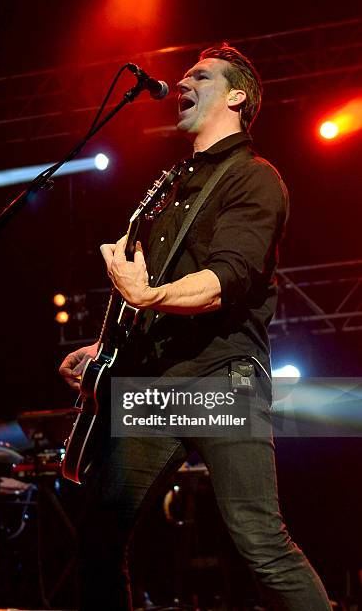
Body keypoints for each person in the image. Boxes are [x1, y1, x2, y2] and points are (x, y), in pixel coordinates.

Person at [59, 43, 331, 611]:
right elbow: (155, 289)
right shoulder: (173, 186)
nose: (182, 82)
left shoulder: (254, 179)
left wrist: (149, 293)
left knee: (257, 538)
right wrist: (106, 345)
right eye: (184, 75)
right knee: (99, 536)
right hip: (156, 382)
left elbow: (225, 278)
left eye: (199, 76)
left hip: (217, 375)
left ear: (236, 97)